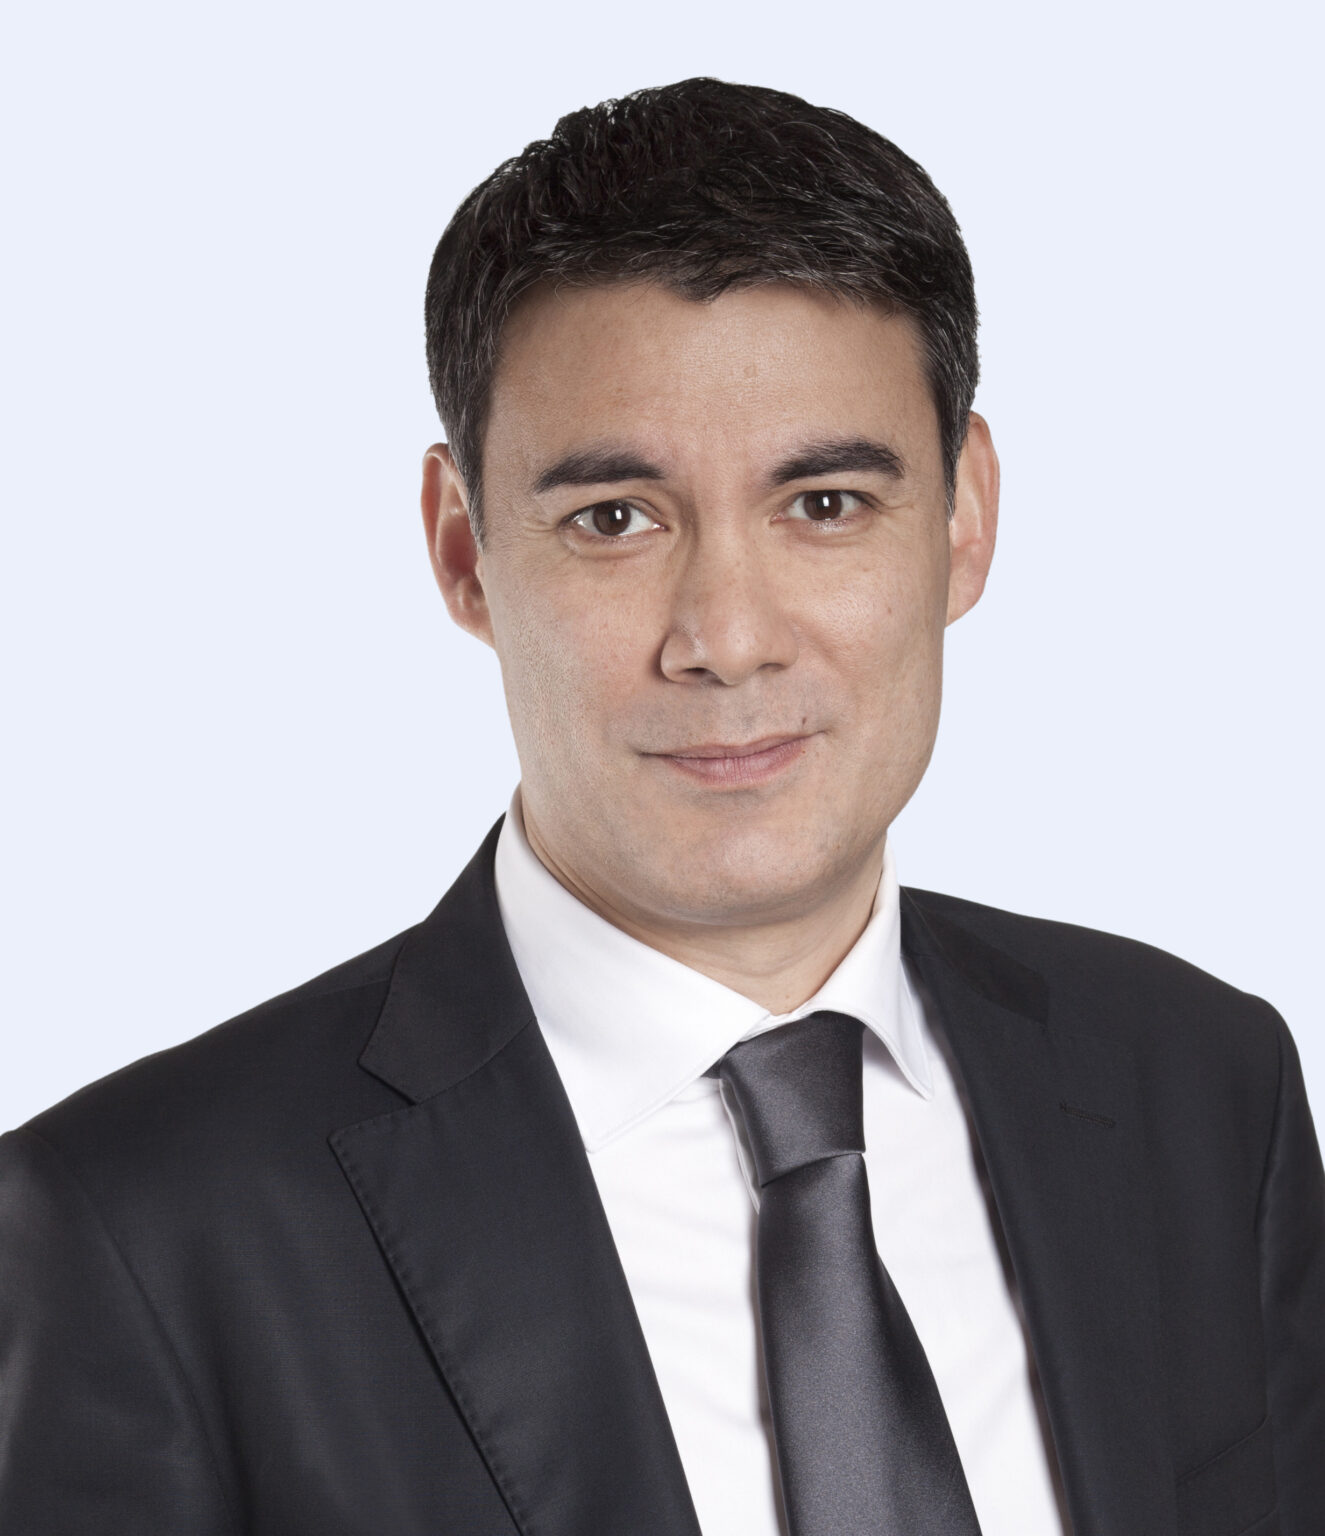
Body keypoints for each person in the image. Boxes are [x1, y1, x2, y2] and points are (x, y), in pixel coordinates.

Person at [1, 76, 1320, 1536]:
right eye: (613, 519)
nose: (727, 639)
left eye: (825, 504)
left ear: (963, 517)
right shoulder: (139, 1228)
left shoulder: (1202, 1088)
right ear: (463, 552)